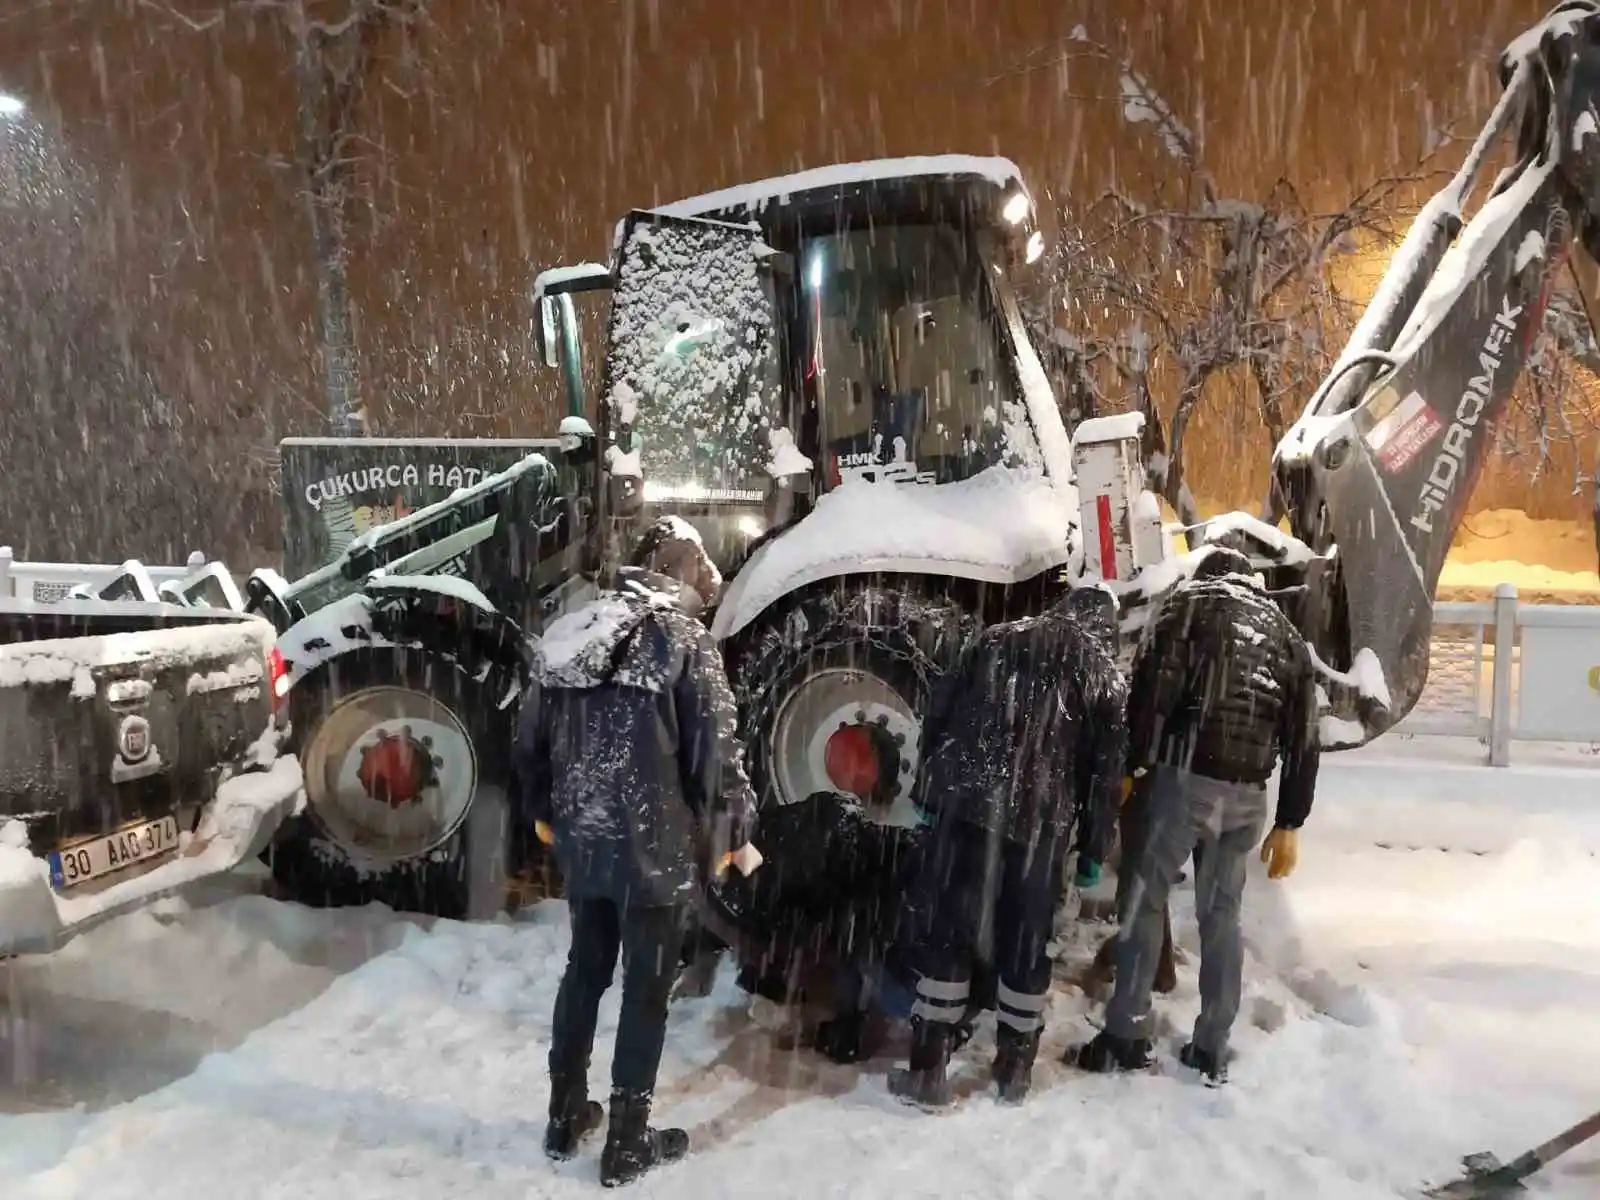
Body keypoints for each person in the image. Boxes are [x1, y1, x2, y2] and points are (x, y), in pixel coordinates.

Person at [517, 516, 757, 1186]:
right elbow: (716, 756)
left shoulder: (572, 631)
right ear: (684, 575)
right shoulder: (684, 641)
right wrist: (734, 831)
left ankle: (564, 1113)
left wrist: (545, 816)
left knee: (585, 970)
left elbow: (530, 742)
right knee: (646, 988)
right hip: (654, 846)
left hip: (583, 837)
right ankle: (627, 1140)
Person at [1074, 545, 1320, 1084]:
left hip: (1184, 781)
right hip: (1248, 795)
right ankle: (1211, 1044)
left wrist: (1130, 765)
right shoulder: (1285, 634)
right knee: (1221, 914)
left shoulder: (1189, 606)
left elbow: (1151, 693)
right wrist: (1290, 819)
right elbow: (1304, 734)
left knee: (1143, 900)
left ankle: (1125, 1034)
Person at [889, 585, 1128, 1108]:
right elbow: (1105, 775)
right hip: (1038, 829)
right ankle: (1014, 1069)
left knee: (948, 933)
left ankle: (928, 1070)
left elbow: (939, 712)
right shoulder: (1103, 676)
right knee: (1026, 944)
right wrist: (1093, 848)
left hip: (965, 811)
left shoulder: (997, 638)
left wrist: (929, 789)